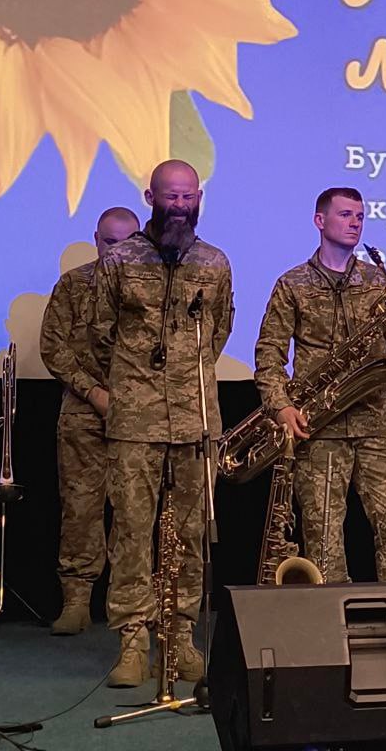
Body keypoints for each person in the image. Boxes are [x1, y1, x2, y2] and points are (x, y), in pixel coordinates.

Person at [90, 160, 233, 687]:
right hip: (135, 419)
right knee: (132, 530)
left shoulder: (215, 263)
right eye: (171, 196)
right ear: (150, 197)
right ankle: (133, 640)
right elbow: (100, 331)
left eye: (188, 196)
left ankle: (180, 637)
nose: (180, 206)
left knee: (191, 534)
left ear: (199, 199)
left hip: (195, 419)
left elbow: (219, 331)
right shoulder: (120, 260)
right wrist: (137, 378)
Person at [254, 187, 386, 584]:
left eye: (360, 216)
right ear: (320, 221)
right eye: (345, 215)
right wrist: (281, 406)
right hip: (319, 427)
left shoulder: (379, 281)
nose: (355, 223)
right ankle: (334, 620)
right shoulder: (292, 284)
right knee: (324, 542)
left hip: (375, 423)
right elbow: (268, 354)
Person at [39, 207, 140, 634]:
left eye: (128, 243)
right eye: (110, 242)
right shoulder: (74, 284)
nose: (118, 251)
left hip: (141, 417)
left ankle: (131, 604)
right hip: (84, 413)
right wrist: (93, 391)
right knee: (80, 509)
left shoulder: (153, 290)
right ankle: (77, 601)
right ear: (96, 240)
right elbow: (53, 347)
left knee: (135, 512)